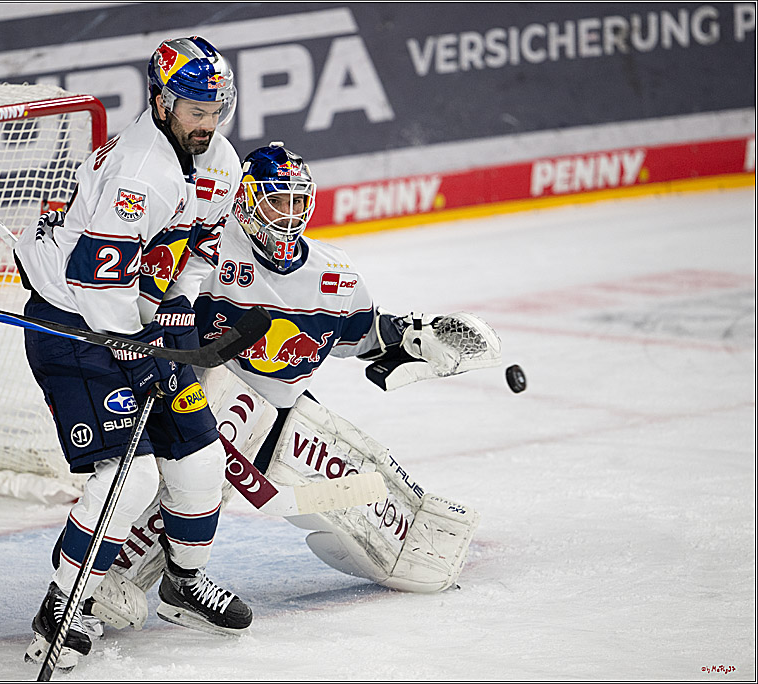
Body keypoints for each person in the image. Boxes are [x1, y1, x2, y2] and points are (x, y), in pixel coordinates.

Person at [65, 142, 502, 631]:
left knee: (419, 561)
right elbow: (141, 308)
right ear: (248, 201)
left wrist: (413, 335)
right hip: (198, 400)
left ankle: (170, 575)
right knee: (210, 448)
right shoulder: (205, 254)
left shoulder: (333, 273)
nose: (290, 215)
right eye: (278, 200)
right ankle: (110, 578)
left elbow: (360, 335)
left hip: (285, 416)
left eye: (298, 201)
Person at [13, 36, 249, 672]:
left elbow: (200, 247)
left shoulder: (219, 159)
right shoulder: (141, 172)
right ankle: (61, 607)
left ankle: (182, 583)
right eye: (196, 110)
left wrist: (180, 308)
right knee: (131, 476)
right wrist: (142, 352)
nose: (208, 123)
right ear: (163, 102)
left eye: (216, 109)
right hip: (73, 325)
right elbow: (95, 283)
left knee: (200, 457)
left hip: (136, 320)